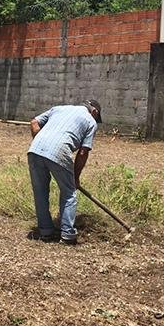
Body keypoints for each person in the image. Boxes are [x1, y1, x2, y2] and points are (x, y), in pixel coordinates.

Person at [27, 100, 102, 244]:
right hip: (59, 151)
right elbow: (83, 152)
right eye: (97, 118)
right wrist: (75, 177)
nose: (96, 121)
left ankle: (46, 232)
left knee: (40, 192)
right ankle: (67, 234)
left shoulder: (59, 109)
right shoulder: (90, 122)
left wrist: (42, 143)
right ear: (94, 112)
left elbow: (34, 122)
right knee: (69, 192)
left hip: (35, 149)